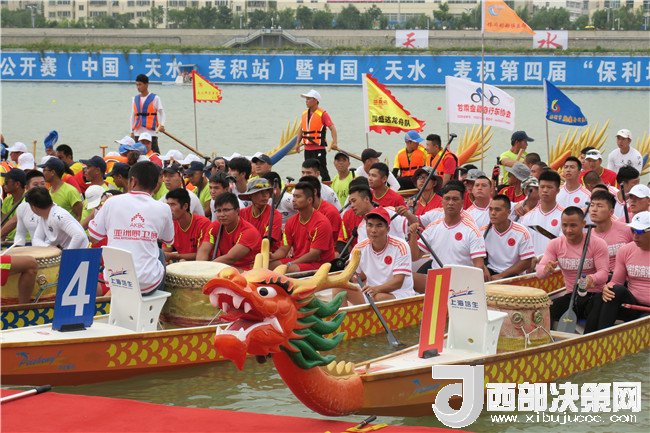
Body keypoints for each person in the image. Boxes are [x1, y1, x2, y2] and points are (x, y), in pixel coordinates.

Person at [89, 161, 174, 295]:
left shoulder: (111, 202)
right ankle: (159, 304)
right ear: (155, 185)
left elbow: (93, 237)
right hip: (147, 284)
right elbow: (168, 240)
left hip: (116, 280)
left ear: (133, 181)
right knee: (159, 253)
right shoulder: (163, 208)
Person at [536, 207, 609, 333]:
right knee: (546, 311)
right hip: (572, 296)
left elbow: (603, 274)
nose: (568, 230)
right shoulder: (555, 244)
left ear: (583, 224)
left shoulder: (598, 243)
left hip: (595, 295)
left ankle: (589, 341)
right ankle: (547, 340)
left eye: (573, 225)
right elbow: (539, 273)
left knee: (596, 310)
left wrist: (591, 279)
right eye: (564, 225)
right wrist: (546, 269)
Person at [409, 182, 487, 292]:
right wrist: (413, 235)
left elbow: (479, 267)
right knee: (407, 276)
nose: (450, 203)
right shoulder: (433, 227)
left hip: (462, 284)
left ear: (462, 203)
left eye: (455, 199)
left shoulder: (472, 230)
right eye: (447, 199)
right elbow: (414, 257)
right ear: (442, 202)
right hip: (438, 280)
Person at [337, 208, 416, 305]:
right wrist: (349, 272)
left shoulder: (401, 246)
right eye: (370, 225)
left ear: (388, 229)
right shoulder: (358, 248)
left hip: (399, 294)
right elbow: (354, 278)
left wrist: (376, 289)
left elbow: (398, 282)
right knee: (339, 289)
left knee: (379, 297)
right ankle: (344, 315)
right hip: (371, 293)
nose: (373, 230)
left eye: (379, 225)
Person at [598, 211, 650, 330]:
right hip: (632, 305)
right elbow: (616, 282)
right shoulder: (625, 250)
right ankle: (599, 334)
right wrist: (607, 288)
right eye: (633, 230)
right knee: (612, 290)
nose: (635, 236)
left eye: (640, 231)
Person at [269, 181, 335, 273]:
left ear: (309, 200)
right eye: (294, 196)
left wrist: (290, 264)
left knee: (287, 269)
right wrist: (273, 256)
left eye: (298, 197)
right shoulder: (291, 222)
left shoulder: (321, 223)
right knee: (269, 265)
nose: (293, 200)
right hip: (298, 261)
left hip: (319, 264)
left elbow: (314, 255)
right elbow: (284, 249)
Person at [196, 192, 261, 270]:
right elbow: (204, 250)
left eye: (226, 210)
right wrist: (200, 268)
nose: (222, 215)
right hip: (224, 267)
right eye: (218, 211)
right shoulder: (215, 226)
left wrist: (208, 268)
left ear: (237, 211)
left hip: (246, 271)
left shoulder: (249, 232)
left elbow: (230, 258)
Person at [482, 195, 535, 280]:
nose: (493, 213)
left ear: (508, 212)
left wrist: (501, 276)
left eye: (497, 209)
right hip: (491, 272)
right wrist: (483, 268)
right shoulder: (483, 231)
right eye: (490, 209)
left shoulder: (522, 232)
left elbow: (527, 262)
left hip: (514, 276)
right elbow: (476, 255)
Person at [519, 170, 564, 256]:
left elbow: (564, 246)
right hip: (532, 263)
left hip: (554, 263)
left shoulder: (564, 216)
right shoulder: (527, 217)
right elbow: (522, 246)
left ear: (558, 190)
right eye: (542, 187)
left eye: (549, 187)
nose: (545, 190)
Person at [296, 89, 337, 182]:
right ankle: (309, 186)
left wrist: (334, 142)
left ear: (315, 100)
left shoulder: (323, 114)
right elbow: (301, 129)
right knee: (308, 170)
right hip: (307, 149)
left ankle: (327, 186)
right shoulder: (304, 113)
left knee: (322, 170)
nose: (306, 101)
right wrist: (297, 143)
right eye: (306, 99)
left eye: (308, 99)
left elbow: (332, 129)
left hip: (319, 148)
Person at [588, 190, 633, 273]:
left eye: (600, 206)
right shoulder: (588, 237)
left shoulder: (627, 229)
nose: (594, 209)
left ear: (611, 212)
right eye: (592, 205)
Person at [163, 188, 211, 262]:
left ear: (185, 206)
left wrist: (175, 256)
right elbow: (166, 249)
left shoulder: (203, 224)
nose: (169, 209)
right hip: (181, 263)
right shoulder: (169, 224)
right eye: (167, 205)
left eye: (173, 205)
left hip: (202, 265)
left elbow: (203, 254)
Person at [239, 178, 282, 252]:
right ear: (250, 195)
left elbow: (267, 242)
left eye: (267, 192)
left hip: (267, 253)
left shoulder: (275, 215)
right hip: (243, 250)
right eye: (260, 192)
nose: (265, 195)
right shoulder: (241, 213)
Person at [300, 175, 341, 243]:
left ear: (314, 192)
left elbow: (331, 242)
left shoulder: (331, 212)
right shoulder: (303, 211)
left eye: (301, 195)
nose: (297, 199)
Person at [131, 74, 165, 153]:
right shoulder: (135, 99)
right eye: (137, 85)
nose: (138, 87)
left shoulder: (155, 98)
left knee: (155, 153)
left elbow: (162, 113)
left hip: (151, 133)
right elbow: (132, 116)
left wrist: (162, 125)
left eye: (140, 84)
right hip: (138, 132)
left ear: (146, 84)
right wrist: (132, 132)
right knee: (137, 154)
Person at [1, 168, 26, 242]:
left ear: (17, 184)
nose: (4, 185)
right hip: (8, 241)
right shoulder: (7, 200)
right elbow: (4, 223)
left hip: (25, 242)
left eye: (6, 182)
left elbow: (13, 222)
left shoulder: (27, 201)